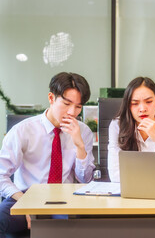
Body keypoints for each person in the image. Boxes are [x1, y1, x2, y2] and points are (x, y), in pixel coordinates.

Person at [0, 72, 95, 237]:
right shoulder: (23, 130)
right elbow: (1, 175)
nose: (72, 112)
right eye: (66, 103)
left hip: (66, 198)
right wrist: (24, 202)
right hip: (27, 195)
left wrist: (79, 146)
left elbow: (86, 180)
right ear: (51, 98)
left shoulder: (83, 132)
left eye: (78, 106)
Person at [107, 77, 155, 182]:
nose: (142, 109)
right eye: (135, 103)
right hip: (129, 192)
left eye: (148, 102)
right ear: (128, 106)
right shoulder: (117, 126)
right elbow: (115, 176)